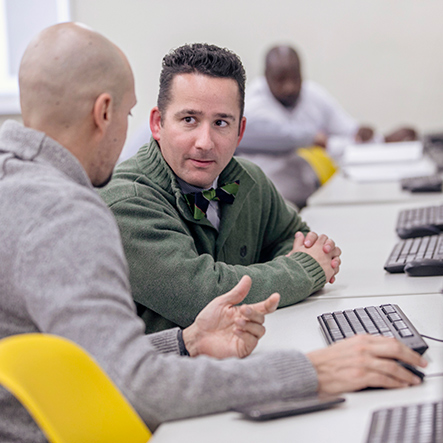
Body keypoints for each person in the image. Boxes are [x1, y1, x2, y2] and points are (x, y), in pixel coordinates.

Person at [0, 23, 427, 443]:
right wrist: (317, 370)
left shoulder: (20, 189)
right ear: (105, 113)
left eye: (221, 123)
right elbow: (141, 385)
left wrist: (185, 342)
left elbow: (94, 358)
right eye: (130, 114)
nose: (205, 142)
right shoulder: (68, 214)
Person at [99, 43, 342, 334]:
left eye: (221, 123)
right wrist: (304, 270)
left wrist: (293, 262)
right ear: (157, 124)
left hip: (253, 351)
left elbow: (293, 240)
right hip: (162, 373)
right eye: (189, 120)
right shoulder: (125, 201)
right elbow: (201, 296)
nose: (205, 142)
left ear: (240, 131)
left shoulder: (249, 180)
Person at [236, 45, 418, 206]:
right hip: (275, 201)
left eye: (295, 78)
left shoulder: (312, 94)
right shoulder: (251, 103)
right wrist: (312, 138)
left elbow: (347, 132)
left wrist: (377, 139)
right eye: (281, 79)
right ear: (266, 76)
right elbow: (280, 137)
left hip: (315, 194)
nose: (289, 87)